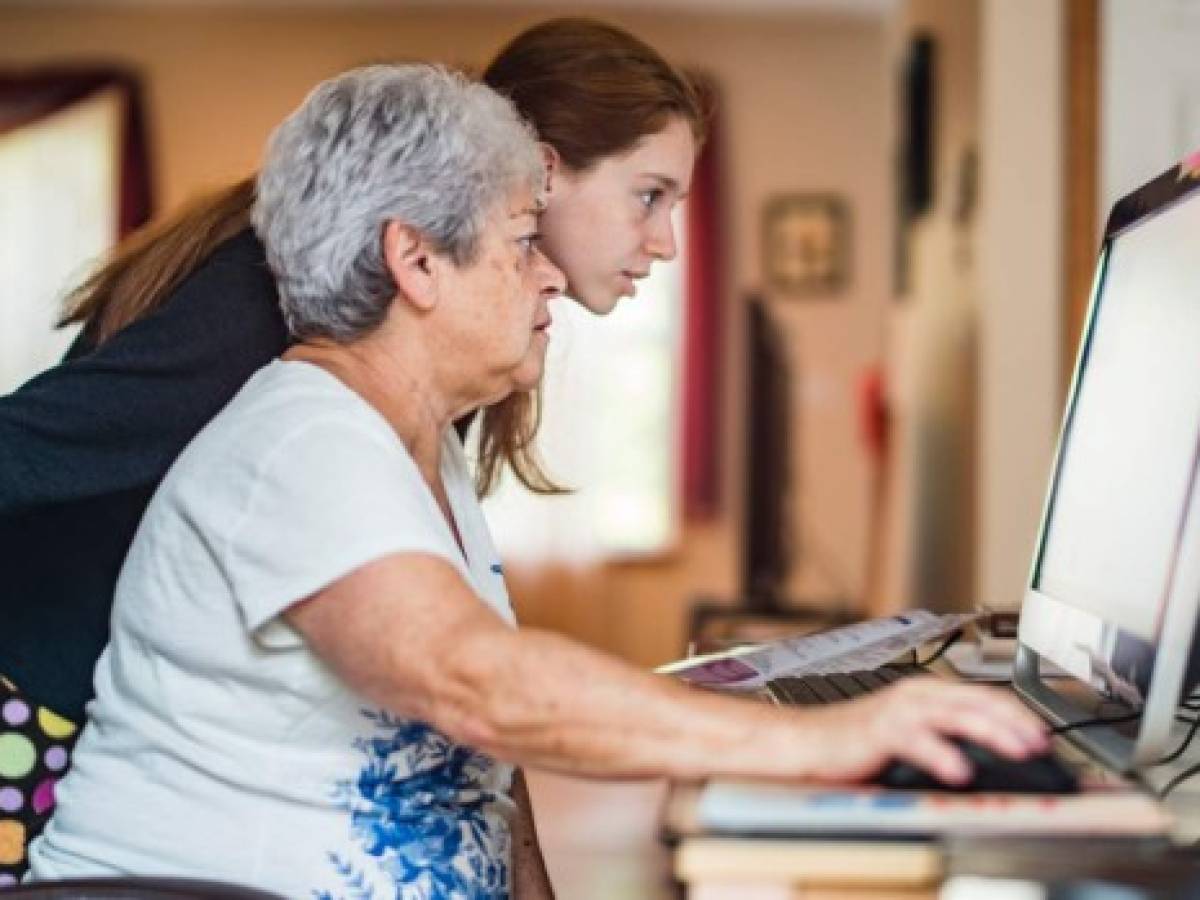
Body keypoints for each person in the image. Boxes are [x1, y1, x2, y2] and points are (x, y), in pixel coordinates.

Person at [25, 62, 1046, 900]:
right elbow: (472, 681)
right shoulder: (304, 440)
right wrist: (831, 740)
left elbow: (479, 772)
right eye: (522, 243)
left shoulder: (416, 451)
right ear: (416, 264)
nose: (550, 271)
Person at [0, 18, 702, 882]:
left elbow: (459, 642)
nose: (665, 240)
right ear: (546, 173)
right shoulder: (270, 317)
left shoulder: (444, 346)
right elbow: (23, 449)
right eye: (649, 195)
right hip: (36, 700)